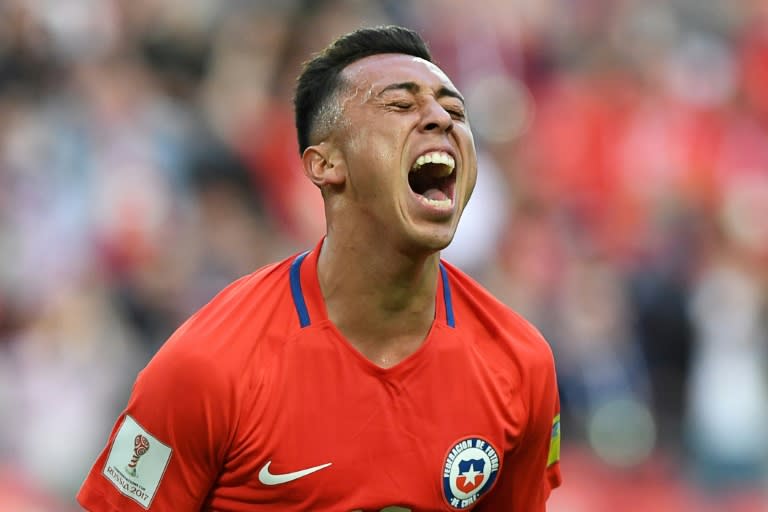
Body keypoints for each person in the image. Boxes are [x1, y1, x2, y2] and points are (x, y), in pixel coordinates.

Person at [77, 25, 562, 511]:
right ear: (324, 165)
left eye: (455, 110)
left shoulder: (521, 364)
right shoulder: (208, 367)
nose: (440, 119)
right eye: (400, 105)